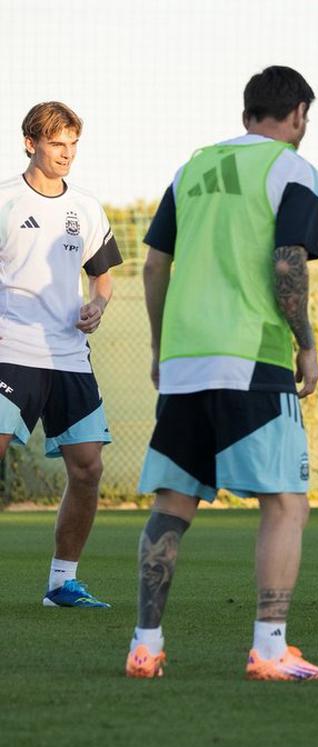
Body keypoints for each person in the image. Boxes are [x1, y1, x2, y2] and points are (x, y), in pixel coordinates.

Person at [125, 66, 318, 680]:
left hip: (185, 359)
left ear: (246, 115)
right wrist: (306, 345)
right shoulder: (294, 169)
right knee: (286, 503)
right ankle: (269, 649)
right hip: (252, 355)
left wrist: (161, 347)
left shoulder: (190, 169)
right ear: (298, 114)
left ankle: (145, 646)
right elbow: (288, 262)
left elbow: (154, 266)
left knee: (173, 502)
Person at [0, 102, 122, 608]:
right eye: (56, 143)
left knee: (88, 468)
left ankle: (61, 584)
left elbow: (102, 278)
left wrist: (97, 305)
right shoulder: (5, 200)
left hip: (69, 357)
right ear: (30, 143)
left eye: (72, 144)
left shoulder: (86, 208)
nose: (66, 153)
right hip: (10, 350)